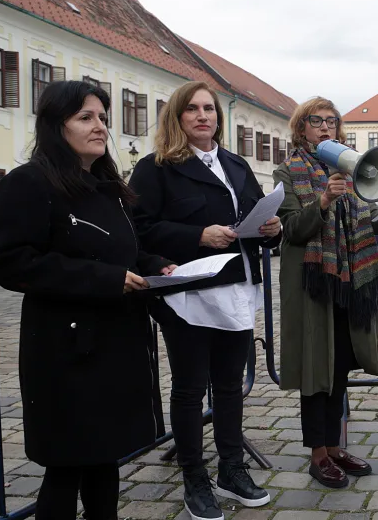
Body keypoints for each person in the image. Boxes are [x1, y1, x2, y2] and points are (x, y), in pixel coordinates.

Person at [0, 81, 170, 519]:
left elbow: (119, 249)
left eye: (103, 118)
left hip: (116, 341)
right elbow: (11, 263)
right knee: (68, 465)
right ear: (56, 126)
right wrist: (104, 279)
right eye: (85, 118)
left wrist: (157, 264)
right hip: (66, 349)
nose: (100, 127)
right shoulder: (27, 184)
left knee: (106, 457)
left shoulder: (107, 186)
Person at [129, 81, 280, 520]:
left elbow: (258, 216)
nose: (203, 116)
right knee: (192, 389)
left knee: (230, 386)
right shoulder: (155, 168)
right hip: (188, 293)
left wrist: (274, 230)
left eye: (209, 109)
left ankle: (232, 468)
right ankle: (194, 476)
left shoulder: (235, 164)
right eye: (192, 109)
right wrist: (197, 235)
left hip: (236, 289)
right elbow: (140, 228)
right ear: (177, 117)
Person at [273, 97, 378, 488]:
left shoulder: (351, 172)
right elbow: (291, 229)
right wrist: (322, 200)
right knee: (315, 368)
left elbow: (369, 222)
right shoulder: (288, 173)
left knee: (337, 368)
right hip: (311, 283)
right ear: (302, 129)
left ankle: (335, 446)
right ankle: (317, 454)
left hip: (347, 281)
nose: (324, 127)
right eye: (315, 121)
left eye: (331, 122)